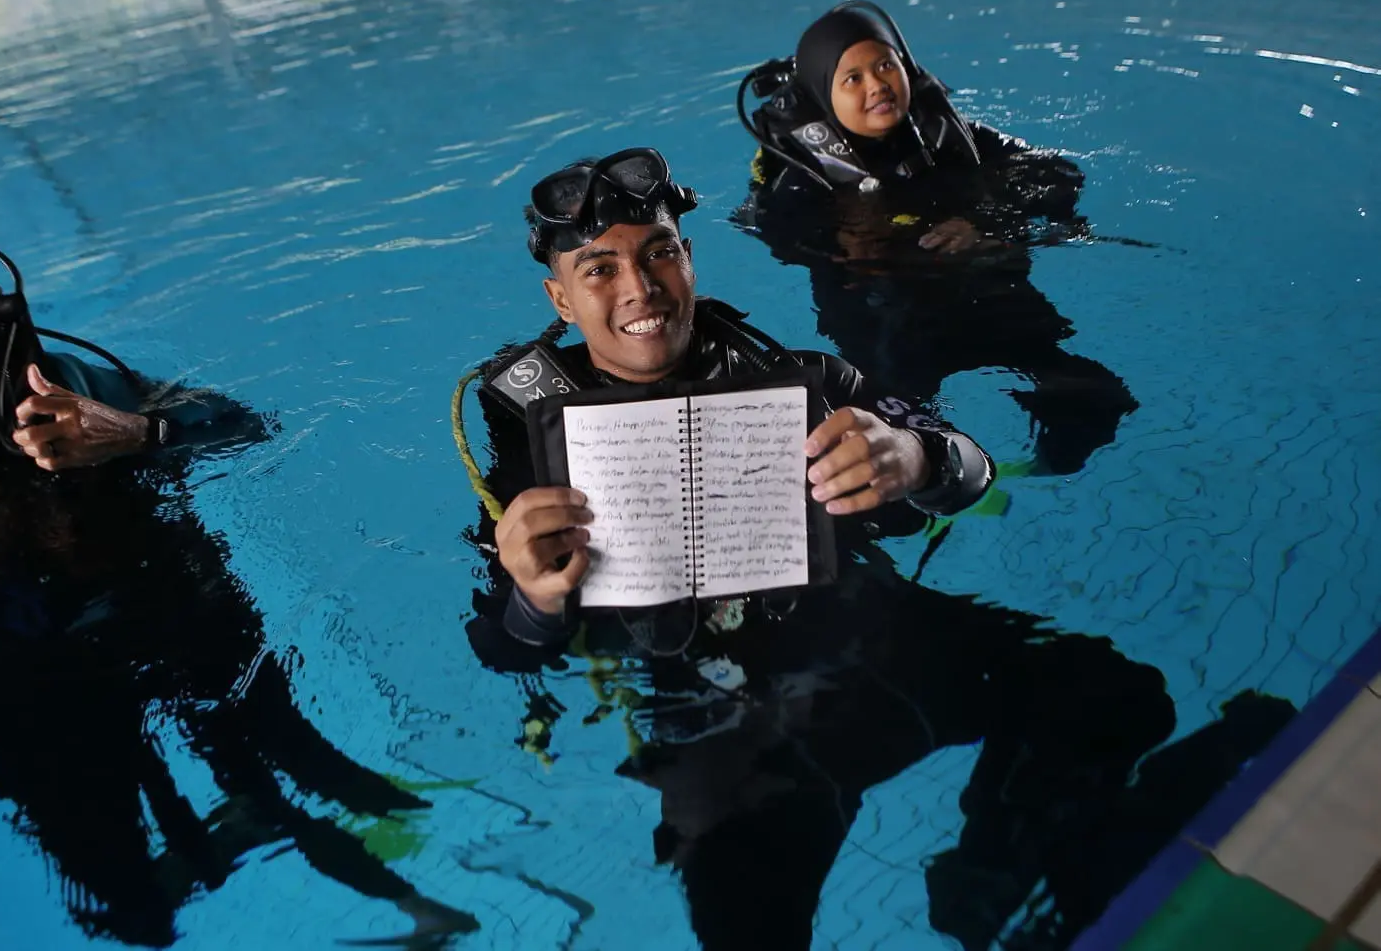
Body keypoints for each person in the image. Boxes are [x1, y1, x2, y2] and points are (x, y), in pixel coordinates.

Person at [455, 151, 1291, 950]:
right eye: (599, 267)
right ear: (559, 299)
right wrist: (536, 595)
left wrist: (914, 456)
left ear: (689, 259)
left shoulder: (804, 379)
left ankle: (988, 874)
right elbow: (500, 645)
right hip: (723, 729)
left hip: (878, 646)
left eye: (659, 252)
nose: (639, 286)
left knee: (1117, 696)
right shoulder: (532, 454)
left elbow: (967, 468)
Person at [0, 215, 476, 946]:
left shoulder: (70, 382)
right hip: (22, 682)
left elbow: (242, 426)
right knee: (119, 910)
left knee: (319, 774)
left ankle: (442, 908)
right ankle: (222, 847)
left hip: (177, 614)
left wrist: (133, 434)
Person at [735, 0, 1138, 476]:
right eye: (853, 79)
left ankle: (1035, 473)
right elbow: (776, 233)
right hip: (883, 314)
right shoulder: (800, 179)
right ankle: (933, 490)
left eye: (886, 64)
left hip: (981, 291)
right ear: (824, 94)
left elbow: (1054, 172)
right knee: (884, 433)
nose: (878, 85)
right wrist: (853, 243)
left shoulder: (948, 134)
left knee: (1096, 398)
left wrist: (989, 222)